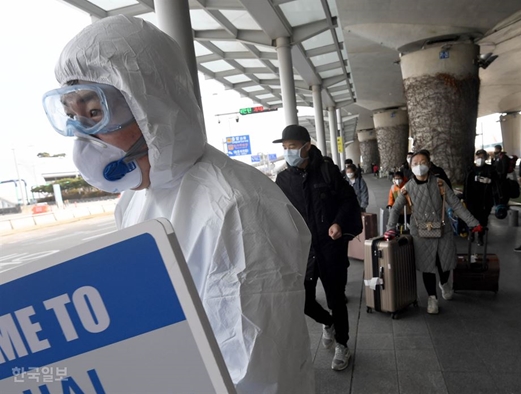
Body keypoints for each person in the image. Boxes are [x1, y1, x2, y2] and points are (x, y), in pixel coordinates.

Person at [42, 15, 314, 393]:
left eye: (94, 113)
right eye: (73, 116)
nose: (83, 136)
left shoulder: (236, 207)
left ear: (150, 107)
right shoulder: (136, 199)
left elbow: (254, 374)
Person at [273, 125, 362, 372]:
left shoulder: (326, 170)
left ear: (306, 146)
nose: (288, 152)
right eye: (285, 148)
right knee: (302, 299)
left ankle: (342, 344)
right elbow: (280, 215)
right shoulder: (282, 180)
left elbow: (348, 200)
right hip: (304, 251)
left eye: (292, 146)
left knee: (336, 299)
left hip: (330, 247)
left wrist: (339, 222)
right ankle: (328, 322)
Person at [384, 150, 483, 314]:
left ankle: (444, 283)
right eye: (415, 164)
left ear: (429, 165)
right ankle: (432, 298)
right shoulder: (407, 188)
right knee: (427, 266)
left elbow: (456, 205)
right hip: (420, 233)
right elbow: (395, 209)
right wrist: (390, 229)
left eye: (422, 162)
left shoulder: (439, 183)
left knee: (444, 262)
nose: (419, 166)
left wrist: (473, 223)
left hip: (442, 230)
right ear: (410, 166)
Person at [463, 150, 501, 246]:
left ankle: (480, 236)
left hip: (485, 199)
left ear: (486, 158)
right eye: (478, 156)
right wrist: (465, 197)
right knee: (471, 217)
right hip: (472, 198)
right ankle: (471, 233)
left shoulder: (491, 169)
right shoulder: (471, 169)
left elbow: (497, 182)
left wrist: (489, 181)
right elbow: (466, 184)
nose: (480, 159)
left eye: (482, 156)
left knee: (483, 219)